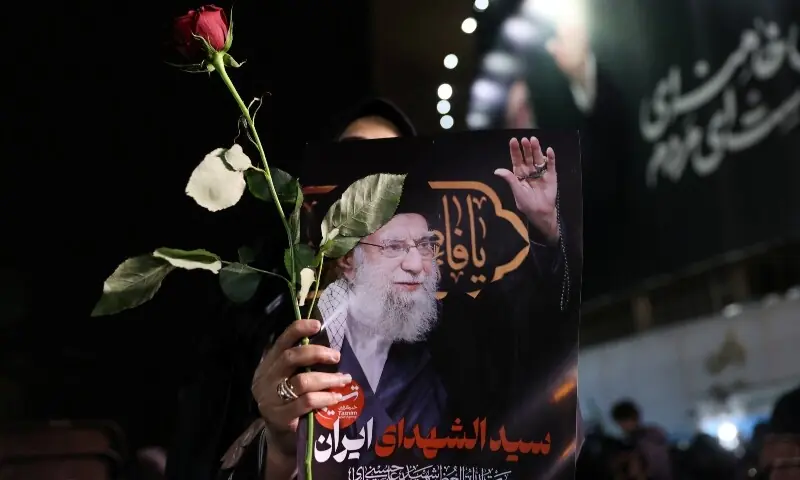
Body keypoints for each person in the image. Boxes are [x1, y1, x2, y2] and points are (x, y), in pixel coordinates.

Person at [250, 134, 574, 479]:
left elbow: (528, 303)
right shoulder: (302, 349)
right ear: (347, 261)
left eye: (424, 245)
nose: (417, 264)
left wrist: (545, 227)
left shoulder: (462, 330)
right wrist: (280, 447)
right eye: (393, 247)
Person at [165, 98, 418, 480]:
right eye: (351, 157)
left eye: (391, 164)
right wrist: (279, 446)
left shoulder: (435, 326)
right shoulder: (261, 306)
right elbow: (202, 445)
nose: (369, 186)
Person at [610, 399, 674, 480]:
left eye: (624, 421)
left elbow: (651, 463)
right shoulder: (650, 434)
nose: (622, 426)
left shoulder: (648, 437)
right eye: (620, 423)